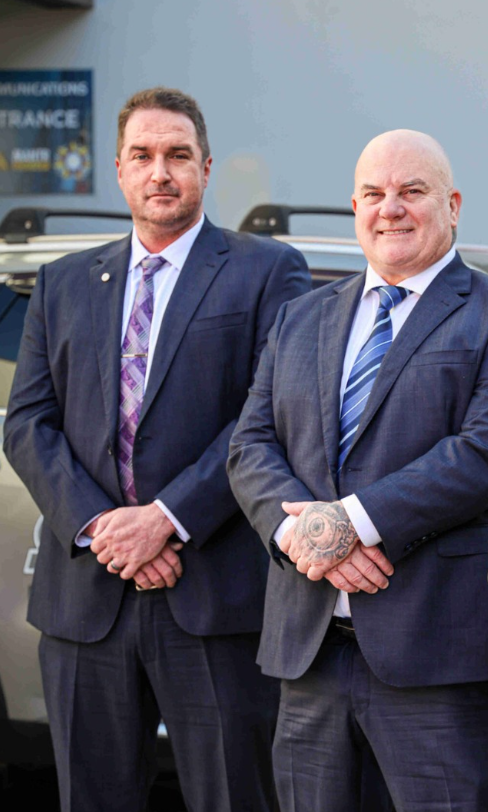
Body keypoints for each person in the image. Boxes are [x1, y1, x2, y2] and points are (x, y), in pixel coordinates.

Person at [4, 86, 311, 812]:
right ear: (119, 169)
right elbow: (28, 423)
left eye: (177, 155)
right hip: (85, 603)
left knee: (234, 797)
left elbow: (267, 417)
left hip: (213, 598)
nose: (160, 171)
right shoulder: (63, 282)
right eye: (143, 155)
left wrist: (166, 518)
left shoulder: (267, 271)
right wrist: (101, 527)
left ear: (205, 166)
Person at [228, 129, 488, 812]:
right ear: (354, 207)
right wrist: (309, 536)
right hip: (309, 653)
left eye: (412, 191)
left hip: (436, 659)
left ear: (454, 204)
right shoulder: (301, 317)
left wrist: (348, 525)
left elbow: (480, 451)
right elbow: (250, 445)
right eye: (373, 194)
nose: (390, 209)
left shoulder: (485, 315)